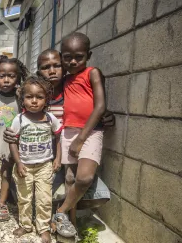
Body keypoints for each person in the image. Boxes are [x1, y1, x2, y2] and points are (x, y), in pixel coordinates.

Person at [35, 49, 111, 229]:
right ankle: (58, 211)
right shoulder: (36, 95)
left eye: (57, 66)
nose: (52, 71)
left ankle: (67, 218)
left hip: (70, 153)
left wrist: (106, 115)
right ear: (39, 71)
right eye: (46, 67)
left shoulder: (72, 88)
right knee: (35, 192)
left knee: (97, 192)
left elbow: (90, 108)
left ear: (65, 67)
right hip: (45, 158)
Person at [51, 32, 106, 237]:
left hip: (90, 132)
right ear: (61, 56)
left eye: (79, 56)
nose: (73, 61)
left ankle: (60, 211)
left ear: (88, 55)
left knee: (84, 178)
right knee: (70, 178)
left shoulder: (92, 73)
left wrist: (81, 139)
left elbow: (100, 106)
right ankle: (70, 225)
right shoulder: (64, 79)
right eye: (67, 57)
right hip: (67, 131)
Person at [9, 76, 62, 243]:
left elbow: (59, 138)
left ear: (46, 99)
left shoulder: (50, 119)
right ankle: (25, 225)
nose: (34, 101)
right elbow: (12, 142)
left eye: (39, 97)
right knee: (24, 197)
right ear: (22, 99)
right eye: (29, 97)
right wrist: (18, 162)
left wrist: (57, 159)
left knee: (44, 199)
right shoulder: (19, 120)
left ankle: (43, 228)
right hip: (24, 166)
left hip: (44, 165)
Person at [0, 55, 29, 221]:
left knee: (6, 174)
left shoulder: (21, 100)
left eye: (11, 76)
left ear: (18, 77)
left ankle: (2, 203)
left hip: (11, 146)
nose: (7, 80)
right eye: (2, 76)